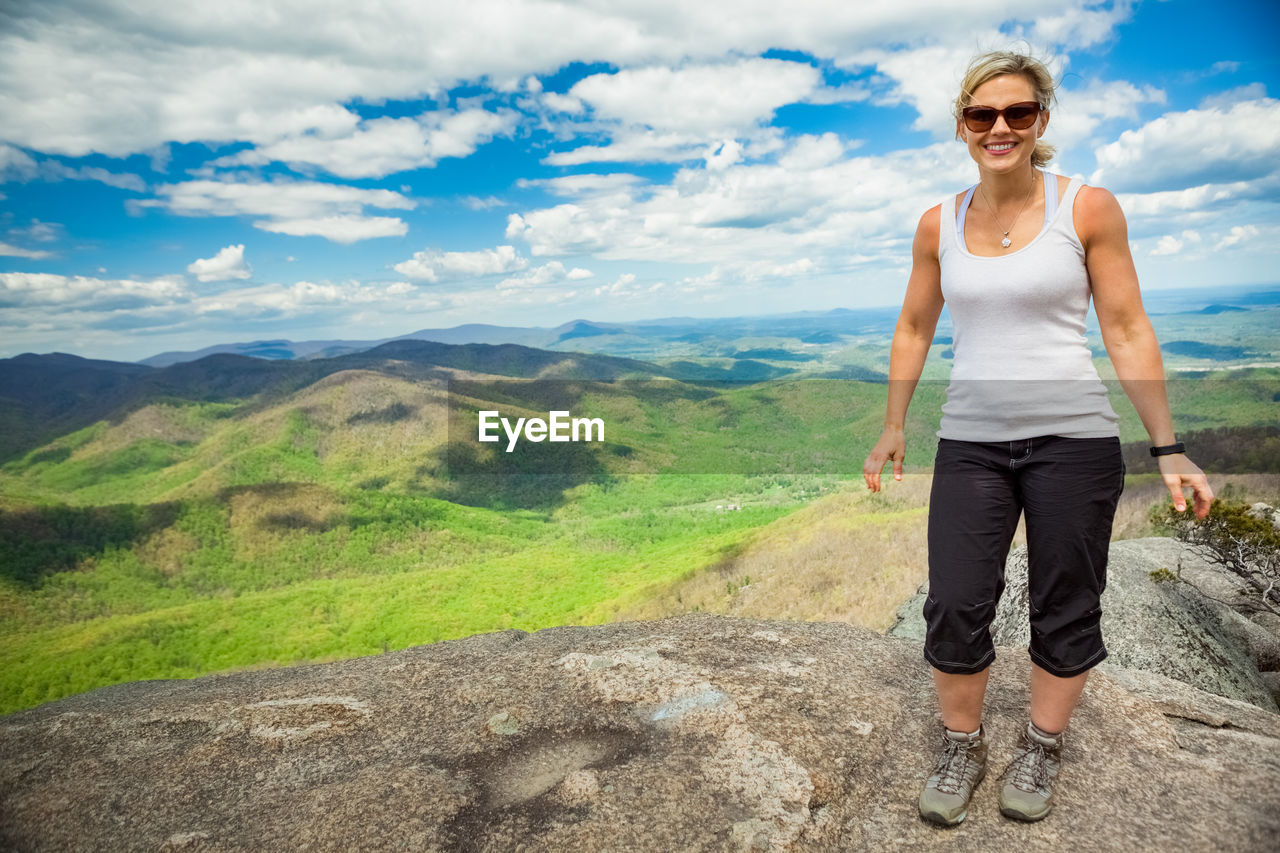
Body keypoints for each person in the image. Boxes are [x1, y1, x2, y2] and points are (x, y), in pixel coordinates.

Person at [861, 49, 1214, 827]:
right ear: (961, 125)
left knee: (1066, 601)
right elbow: (915, 325)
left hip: (1074, 440)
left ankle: (1043, 742)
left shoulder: (1087, 208)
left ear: (1041, 121)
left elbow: (1125, 327)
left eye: (1018, 113)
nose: (1000, 127)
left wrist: (1167, 445)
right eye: (983, 114)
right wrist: (893, 425)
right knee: (955, 599)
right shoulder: (937, 223)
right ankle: (962, 742)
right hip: (972, 441)